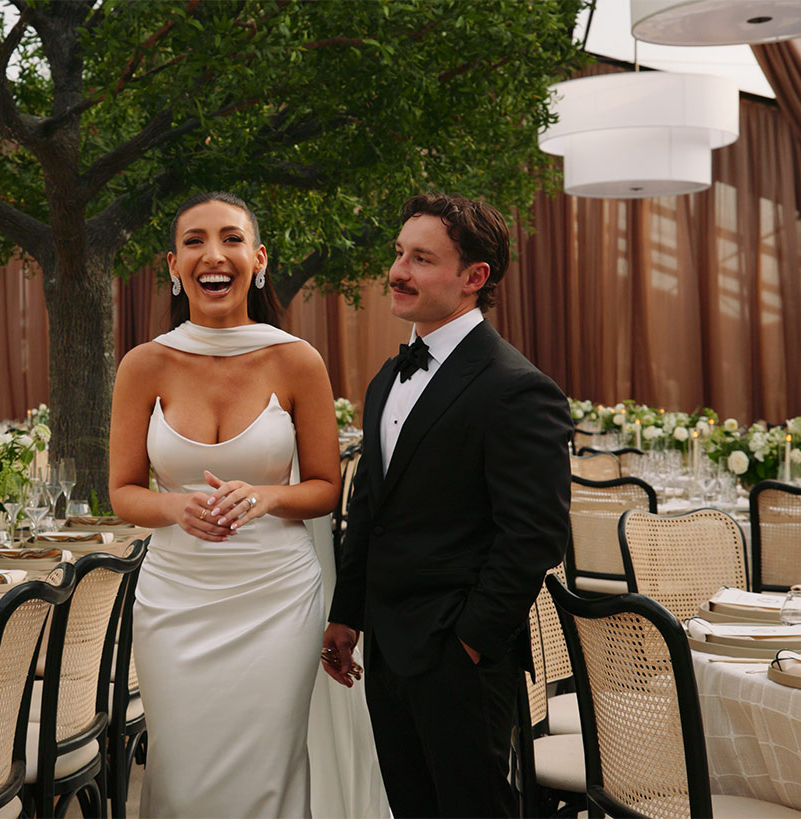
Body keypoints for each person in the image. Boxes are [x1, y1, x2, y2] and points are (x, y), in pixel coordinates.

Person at [109, 192, 385, 818]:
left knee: (268, 771)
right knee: (180, 773)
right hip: (175, 598)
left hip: (277, 598)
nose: (214, 254)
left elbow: (326, 486)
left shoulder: (298, 360)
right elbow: (123, 491)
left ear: (258, 259)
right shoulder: (143, 365)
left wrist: (268, 495)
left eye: (232, 239)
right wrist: (175, 508)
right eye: (194, 241)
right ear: (173, 265)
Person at [322, 193, 573, 818]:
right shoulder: (387, 378)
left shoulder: (517, 388)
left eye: (422, 259)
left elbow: (535, 536)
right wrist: (346, 614)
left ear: (474, 277)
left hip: (458, 657)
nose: (397, 271)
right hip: (385, 648)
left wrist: (469, 644)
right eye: (398, 254)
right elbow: (369, 508)